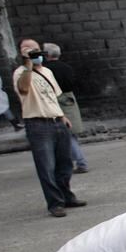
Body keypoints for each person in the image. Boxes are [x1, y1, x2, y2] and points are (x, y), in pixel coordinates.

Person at [14, 39, 85, 218]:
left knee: (65, 163)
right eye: (28, 50)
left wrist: (62, 116)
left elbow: (53, 97)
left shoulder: (47, 71)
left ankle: (67, 196)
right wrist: (28, 63)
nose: (34, 53)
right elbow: (23, 89)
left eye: (36, 50)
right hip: (37, 123)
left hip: (57, 121)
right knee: (46, 166)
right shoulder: (21, 73)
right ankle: (55, 203)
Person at [43, 43, 89, 173]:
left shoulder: (45, 70)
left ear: (46, 55)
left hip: (54, 100)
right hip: (69, 99)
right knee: (70, 133)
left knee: (65, 134)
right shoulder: (67, 68)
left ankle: (80, 162)